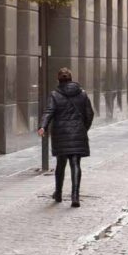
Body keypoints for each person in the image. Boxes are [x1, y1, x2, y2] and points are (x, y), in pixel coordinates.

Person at [38, 67, 94, 207]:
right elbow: (89, 114)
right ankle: (75, 196)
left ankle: (58, 193)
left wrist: (43, 126)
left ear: (58, 79)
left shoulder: (54, 95)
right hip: (77, 132)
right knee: (75, 163)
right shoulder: (82, 93)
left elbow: (49, 111)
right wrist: (83, 128)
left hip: (61, 133)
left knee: (60, 164)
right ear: (71, 78)